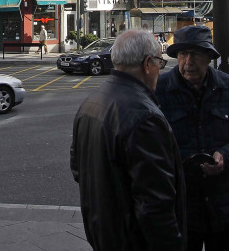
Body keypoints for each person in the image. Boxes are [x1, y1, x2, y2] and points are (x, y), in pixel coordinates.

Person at [71, 29, 186, 251]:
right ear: (147, 64)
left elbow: (78, 169)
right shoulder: (145, 117)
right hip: (133, 241)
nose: (159, 72)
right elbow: (154, 204)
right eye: (159, 64)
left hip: (102, 232)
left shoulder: (91, 102)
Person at [156, 25, 229, 251]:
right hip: (180, 208)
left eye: (196, 54)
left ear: (209, 57)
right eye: (183, 54)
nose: (188, 61)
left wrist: (226, 156)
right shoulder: (159, 90)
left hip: (224, 206)